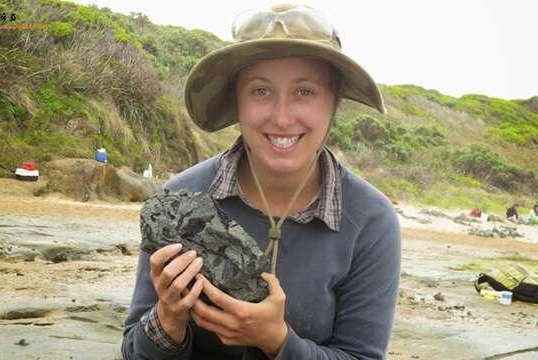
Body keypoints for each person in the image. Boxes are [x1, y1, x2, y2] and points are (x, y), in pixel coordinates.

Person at [122, 4, 401, 359]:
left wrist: (279, 341)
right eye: (260, 91)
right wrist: (167, 320)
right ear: (236, 100)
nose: (282, 118)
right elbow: (133, 351)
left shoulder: (370, 220)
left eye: (305, 92)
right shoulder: (179, 200)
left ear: (334, 102)